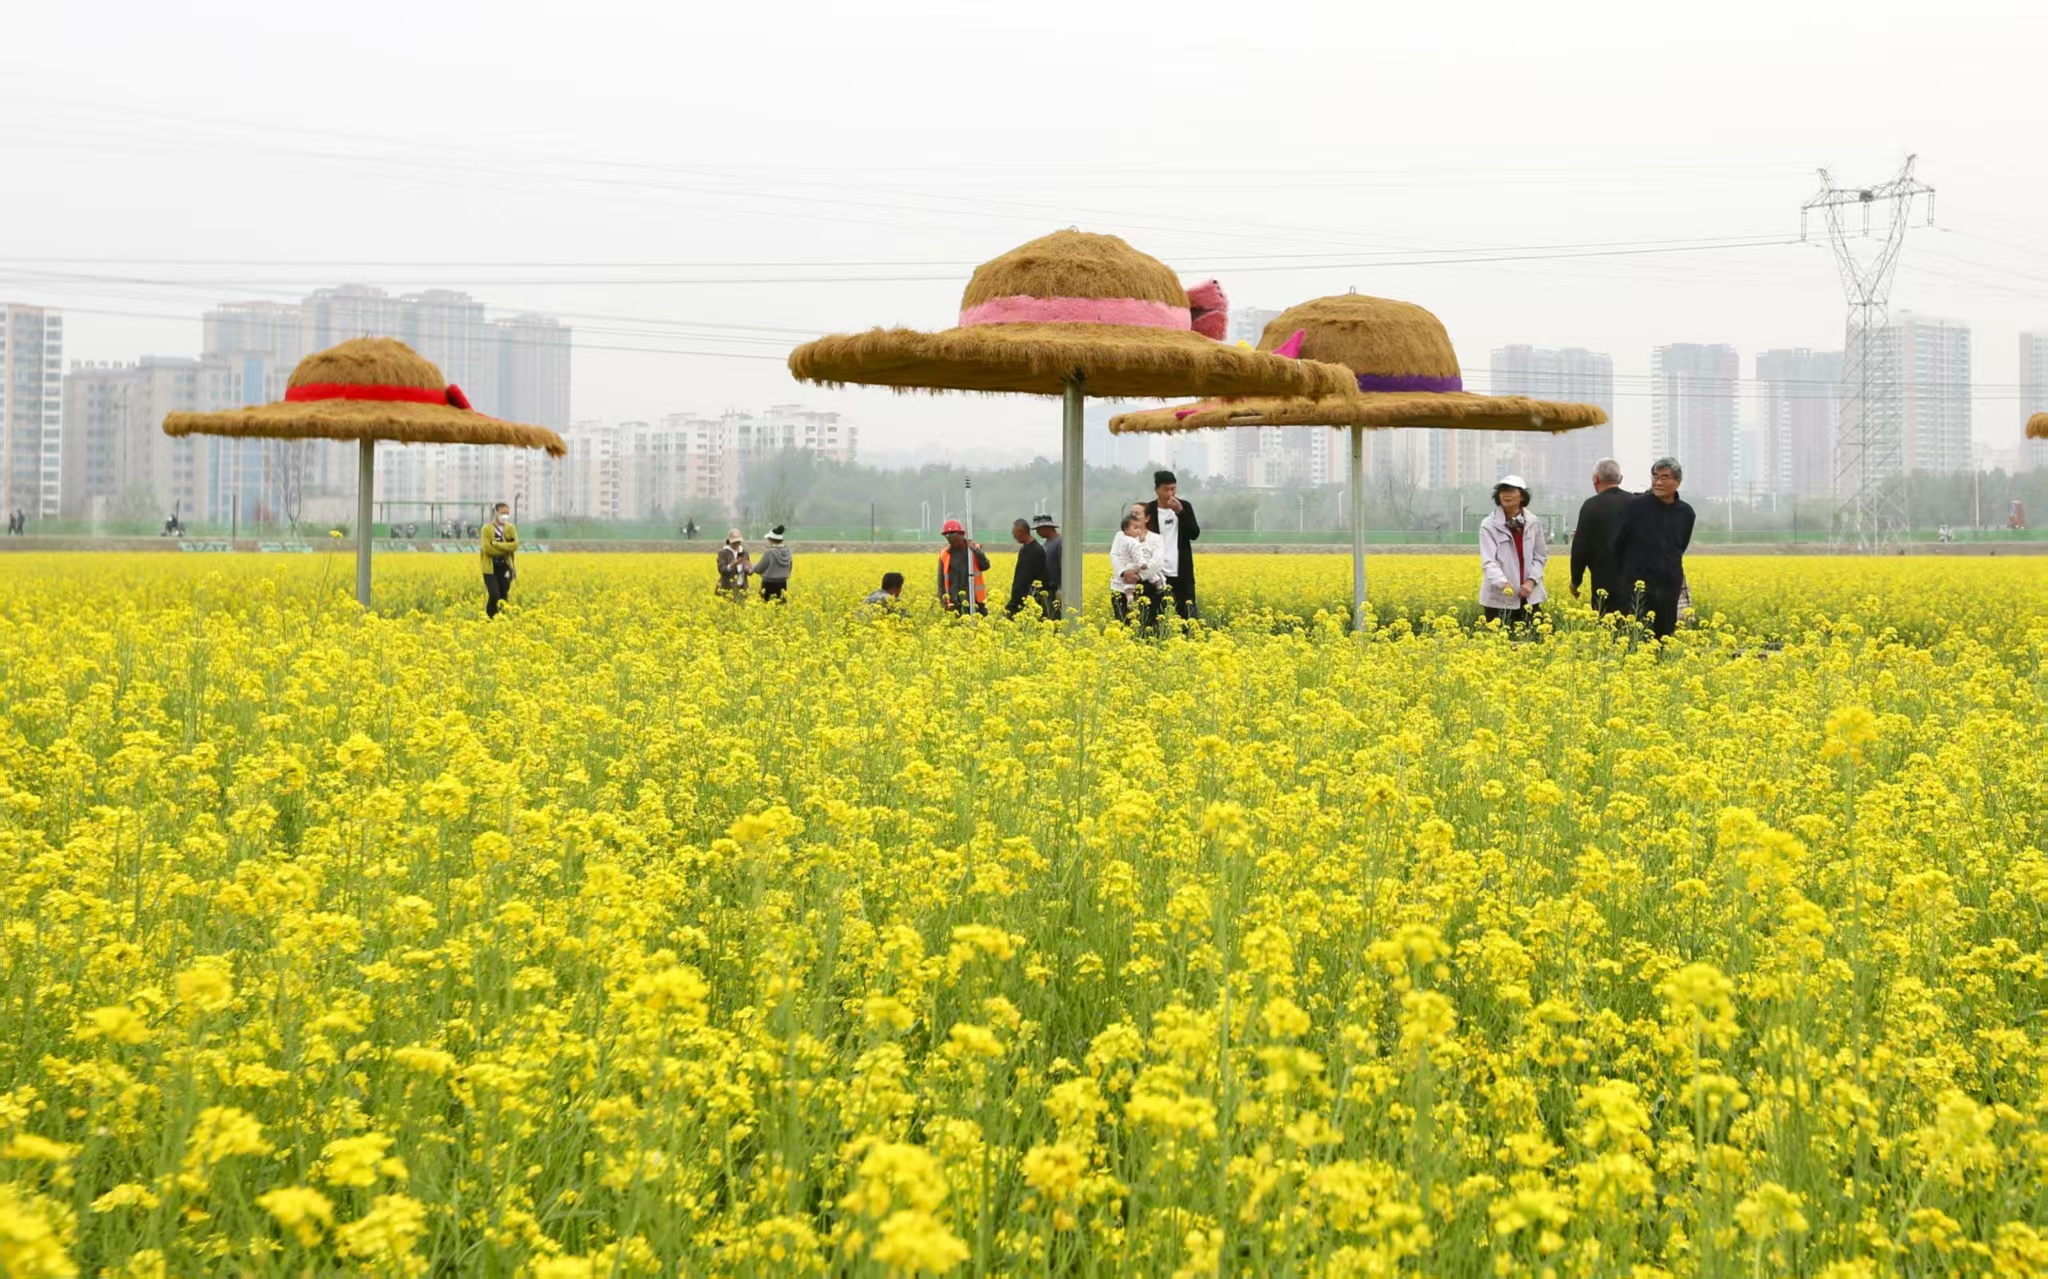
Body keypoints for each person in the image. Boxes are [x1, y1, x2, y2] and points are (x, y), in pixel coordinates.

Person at [1612, 456, 1696, 639]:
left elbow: (1679, 547)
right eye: (1655, 477)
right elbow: (1617, 544)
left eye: (1664, 477)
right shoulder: (1635, 507)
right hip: (1638, 588)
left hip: (1669, 587)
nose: (1658, 482)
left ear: (1677, 482)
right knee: (1638, 639)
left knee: (1664, 638)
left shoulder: (1686, 513)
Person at [1478, 475, 1547, 634]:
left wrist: (1531, 581)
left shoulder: (1533, 522)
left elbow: (1540, 556)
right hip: (1498, 600)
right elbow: (1489, 561)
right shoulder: (1489, 524)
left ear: (1522, 495)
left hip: (1529, 596)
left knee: (1533, 643)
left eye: (1511, 490)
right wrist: (1504, 584)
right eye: (1502, 490)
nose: (1505, 494)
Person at [1569, 458, 1631, 615]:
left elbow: (1580, 547)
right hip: (1636, 583)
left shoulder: (1591, 506)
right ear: (1620, 479)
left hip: (1604, 583)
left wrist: (1576, 581)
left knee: (1607, 628)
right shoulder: (1637, 503)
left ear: (1595, 479)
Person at [1143, 471, 1201, 621]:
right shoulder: (1148, 510)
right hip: (1156, 575)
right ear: (1157, 490)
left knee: (1188, 618)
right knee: (1153, 619)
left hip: (1182, 574)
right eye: (1166, 489)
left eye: (1173, 489)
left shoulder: (1185, 507)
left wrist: (1180, 512)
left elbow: (1194, 534)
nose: (1170, 493)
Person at [1109, 510, 1168, 632]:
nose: (1134, 515)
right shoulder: (1121, 536)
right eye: (1132, 513)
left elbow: (1157, 562)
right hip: (1121, 585)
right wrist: (1124, 572)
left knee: (1148, 625)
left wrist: (1139, 576)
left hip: (1147, 586)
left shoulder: (1156, 538)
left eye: (1138, 513)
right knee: (1124, 623)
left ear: (1146, 518)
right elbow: (1114, 555)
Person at [936, 519, 989, 614]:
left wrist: (976, 551)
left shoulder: (972, 550)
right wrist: (944, 603)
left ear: (962, 534)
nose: (952, 541)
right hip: (954, 602)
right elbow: (941, 582)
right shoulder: (945, 554)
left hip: (975, 601)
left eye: (954, 538)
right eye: (948, 538)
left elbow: (985, 565)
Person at [1006, 518, 1052, 618]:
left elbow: (1040, 578)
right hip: (1019, 599)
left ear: (1021, 532)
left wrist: (1032, 599)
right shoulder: (1024, 549)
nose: (1014, 537)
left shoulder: (1037, 551)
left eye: (1015, 534)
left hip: (1029, 600)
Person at [480, 501, 518, 618]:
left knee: (503, 595)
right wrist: (506, 548)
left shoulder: (510, 528)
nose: (505, 515)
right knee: (494, 594)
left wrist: (496, 544)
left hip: (505, 567)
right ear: (496, 512)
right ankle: (489, 618)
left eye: (507, 513)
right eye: (503, 513)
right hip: (490, 568)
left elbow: (515, 545)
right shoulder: (487, 529)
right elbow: (487, 549)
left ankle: (501, 619)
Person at [1032, 515, 1062, 619]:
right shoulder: (1046, 543)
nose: (1037, 532)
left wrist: (1061, 589)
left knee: (1055, 617)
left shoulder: (1060, 542)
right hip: (1046, 590)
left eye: (1039, 529)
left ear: (1048, 527)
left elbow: (1063, 567)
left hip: (1055, 590)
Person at [756, 525, 793, 602]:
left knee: (767, 608)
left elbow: (758, 569)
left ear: (771, 539)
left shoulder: (769, 553)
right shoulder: (788, 552)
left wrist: (751, 566)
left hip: (768, 585)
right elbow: (790, 567)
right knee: (780, 609)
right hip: (783, 584)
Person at [716, 529, 752, 601]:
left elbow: (750, 571)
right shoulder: (723, 553)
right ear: (729, 541)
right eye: (734, 542)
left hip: (742, 588)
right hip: (727, 588)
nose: (736, 544)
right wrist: (732, 565)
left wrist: (748, 569)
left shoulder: (744, 552)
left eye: (738, 542)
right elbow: (722, 570)